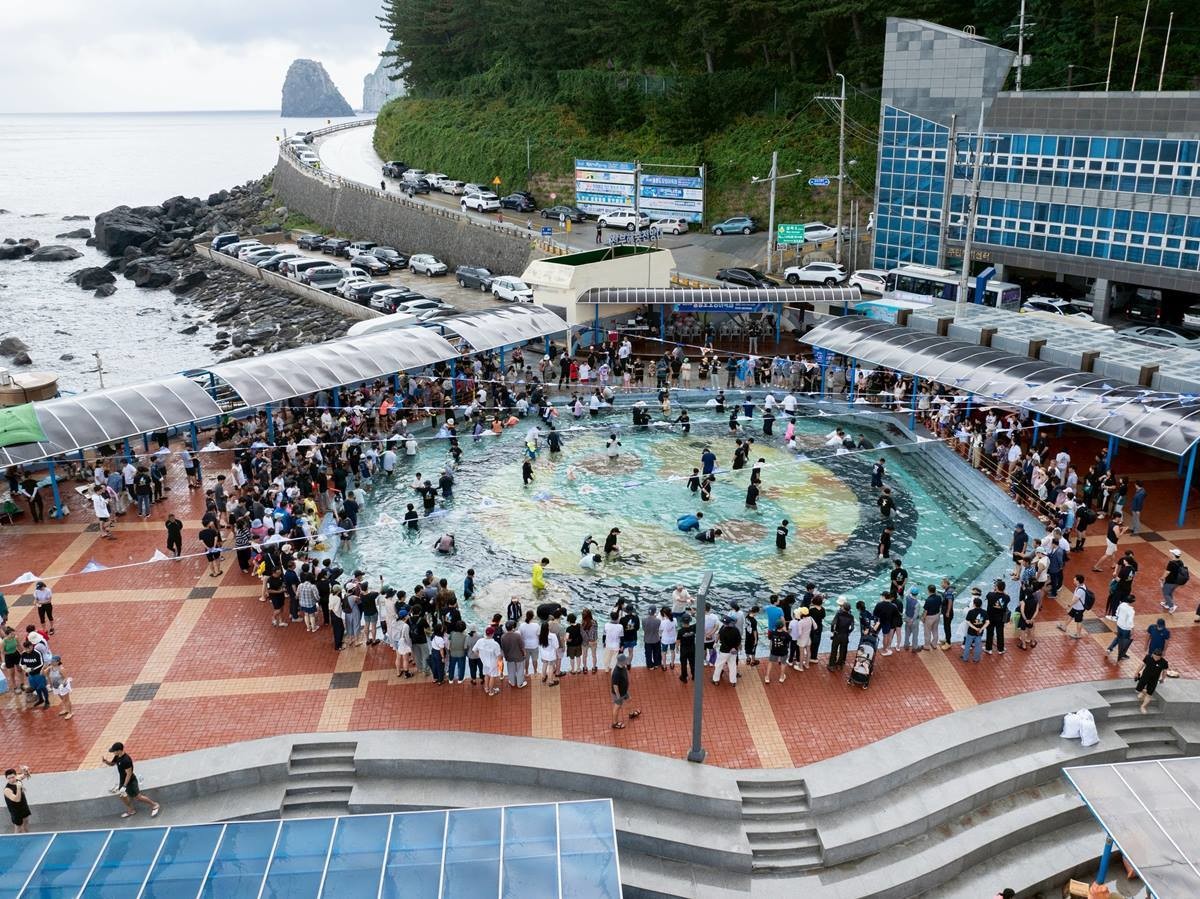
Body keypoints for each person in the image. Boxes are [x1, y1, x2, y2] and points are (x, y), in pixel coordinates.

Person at [101, 743, 160, 819]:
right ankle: (131, 810)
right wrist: (105, 761)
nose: (113, 753)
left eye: (114, 751)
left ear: (119, 750)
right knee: (122, 796)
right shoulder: (117, 756)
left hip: (130, 781)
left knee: (138, 797)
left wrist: (124, 786)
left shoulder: (126, 760)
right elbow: (112, 764)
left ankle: (154, 804)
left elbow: (129, 774)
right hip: (123, 780)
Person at [611, 653, 640, 728]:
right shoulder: (616, 673)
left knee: (629, 699)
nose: (626, 661)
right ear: (621, 662)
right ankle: (615, 723)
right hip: (619, 694)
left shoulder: (623, 666)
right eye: (625, 660)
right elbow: (615, 686)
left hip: (624, 691)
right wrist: (618, 696)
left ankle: (631, 713)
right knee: (617, 707)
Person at [1135, 649, 1168, 713]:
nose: (1156, 658)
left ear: (1161, 657)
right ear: (1152, 654)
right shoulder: (1148, 657)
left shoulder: (1164, 662)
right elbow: (1142, 664)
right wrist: (1136, 672)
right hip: (1144, 677)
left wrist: (1163, 679)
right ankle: (1144, 691)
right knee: (1137, 690)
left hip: (1154, 680)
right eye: (1155, 656)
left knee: (1149, 694)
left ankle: (1143, 706)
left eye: (1158, 657)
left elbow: (1165, 671)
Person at [1058, 574, 1089, 640]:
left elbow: (1076, 600)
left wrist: (1069, 605)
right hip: (1076, 607)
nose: (1073, 581)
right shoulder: (1081, 586)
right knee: (1070, 615)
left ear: (1078, 581)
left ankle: (1078, 634)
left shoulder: (1080, 590)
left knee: (1079, 621)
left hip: (1079, 608)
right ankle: (1064, 626)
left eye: (1074, 580)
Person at [712, 615, 740, 685]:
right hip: (733, 651)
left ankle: (716, 680)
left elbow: (723, 642)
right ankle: (733, 682)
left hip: (724, 651)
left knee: (719, 665)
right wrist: (734, 647)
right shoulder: (736, 629)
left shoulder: (723, 630)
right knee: (732, 666)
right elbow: (739, 640)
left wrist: (715, 643)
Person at [1107, 596, 1135, 662]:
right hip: (1126, 628)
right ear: (1132, 602)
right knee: (1124, 642)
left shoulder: (1122, 605)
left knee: (1118, 638)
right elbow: (1130, 621)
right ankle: (1122, 655)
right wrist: (1132, 628)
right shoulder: (1131, 611)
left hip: (1119, 625)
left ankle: (1109, 649)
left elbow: (1117, 613)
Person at [4, 767, 31, 833]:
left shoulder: (18, 779)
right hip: (16, 811)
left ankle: (28, 836)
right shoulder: (7, 790)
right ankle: (16, 838)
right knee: (18, 828)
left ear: (16, 776)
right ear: (6, 778)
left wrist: (26, 771)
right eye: (9, 778)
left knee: (26, 823)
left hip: (23, 806)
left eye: (13, 777)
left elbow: (26, 775)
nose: (11, 780)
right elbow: (17, 799)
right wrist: (19, 788)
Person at [828, 599, 854, 669]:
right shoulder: (851, 616)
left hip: (837, 634)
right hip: (845, 635)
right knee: (842, 650)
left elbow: (833, 623)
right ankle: (839, 664)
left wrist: (833, 631)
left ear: (843, 608)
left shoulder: (839, 614)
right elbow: (852, 628)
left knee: (834, 650)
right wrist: (848, 632)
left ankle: (831, 665)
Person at [1161, 548, 1187, 614]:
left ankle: (1172, 606)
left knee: (1166, 593)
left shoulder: (1171, 563)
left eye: (1171, 553)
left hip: (1170, 581)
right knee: (1170, 592)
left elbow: (1167, 572)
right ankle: (1167, 603)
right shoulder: (1181, 562)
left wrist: (1162, 578)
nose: (1170, 553)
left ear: (1173, 555)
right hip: (1177, 582)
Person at [961, 595, 986, 663]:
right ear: (981, 605)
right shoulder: (984, 612)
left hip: (971, 632)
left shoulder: (971, 612)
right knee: (978, 646)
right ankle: (976, 659)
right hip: (979, 632)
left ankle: (965, 658)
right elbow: (987, 622)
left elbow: (968, 621)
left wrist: (975, 628)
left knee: (967, 645)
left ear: (974, 604)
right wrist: (981, 629)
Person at [765, 618, 789, 684]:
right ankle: (781, 677)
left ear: (776, 626)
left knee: (770, 663)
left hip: (774, 651)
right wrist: (785, 631)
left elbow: (770, 639)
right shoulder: (785, 634)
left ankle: (767, 677)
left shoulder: (772, 633)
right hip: (783, 651)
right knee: (783, 663)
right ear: (782, 626)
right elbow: (789, 639)